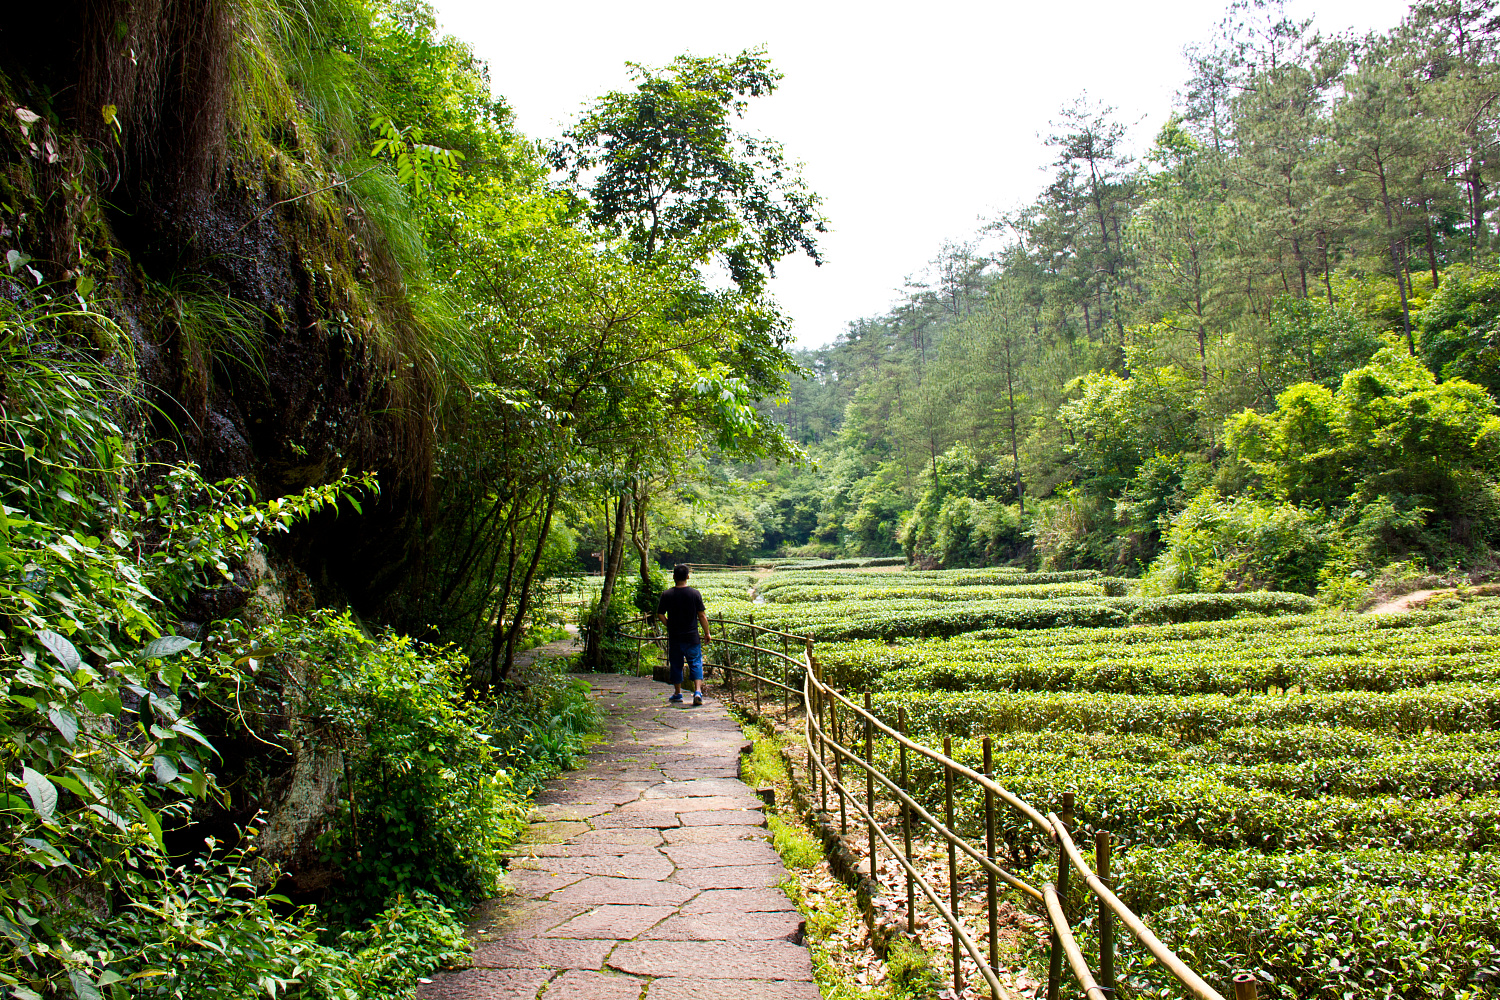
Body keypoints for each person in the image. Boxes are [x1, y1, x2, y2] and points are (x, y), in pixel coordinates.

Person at [652, 563, 712, 706]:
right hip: (692, 636)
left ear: (674, 577)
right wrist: (707, 633)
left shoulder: (667, 594)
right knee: (695, 663)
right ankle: (697, 691)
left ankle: (678, 693)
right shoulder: (695, 594)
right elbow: (702, 615)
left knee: (676, 664)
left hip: (675, 637)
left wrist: (669, 625)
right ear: (688, 577)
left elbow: (660, 614)